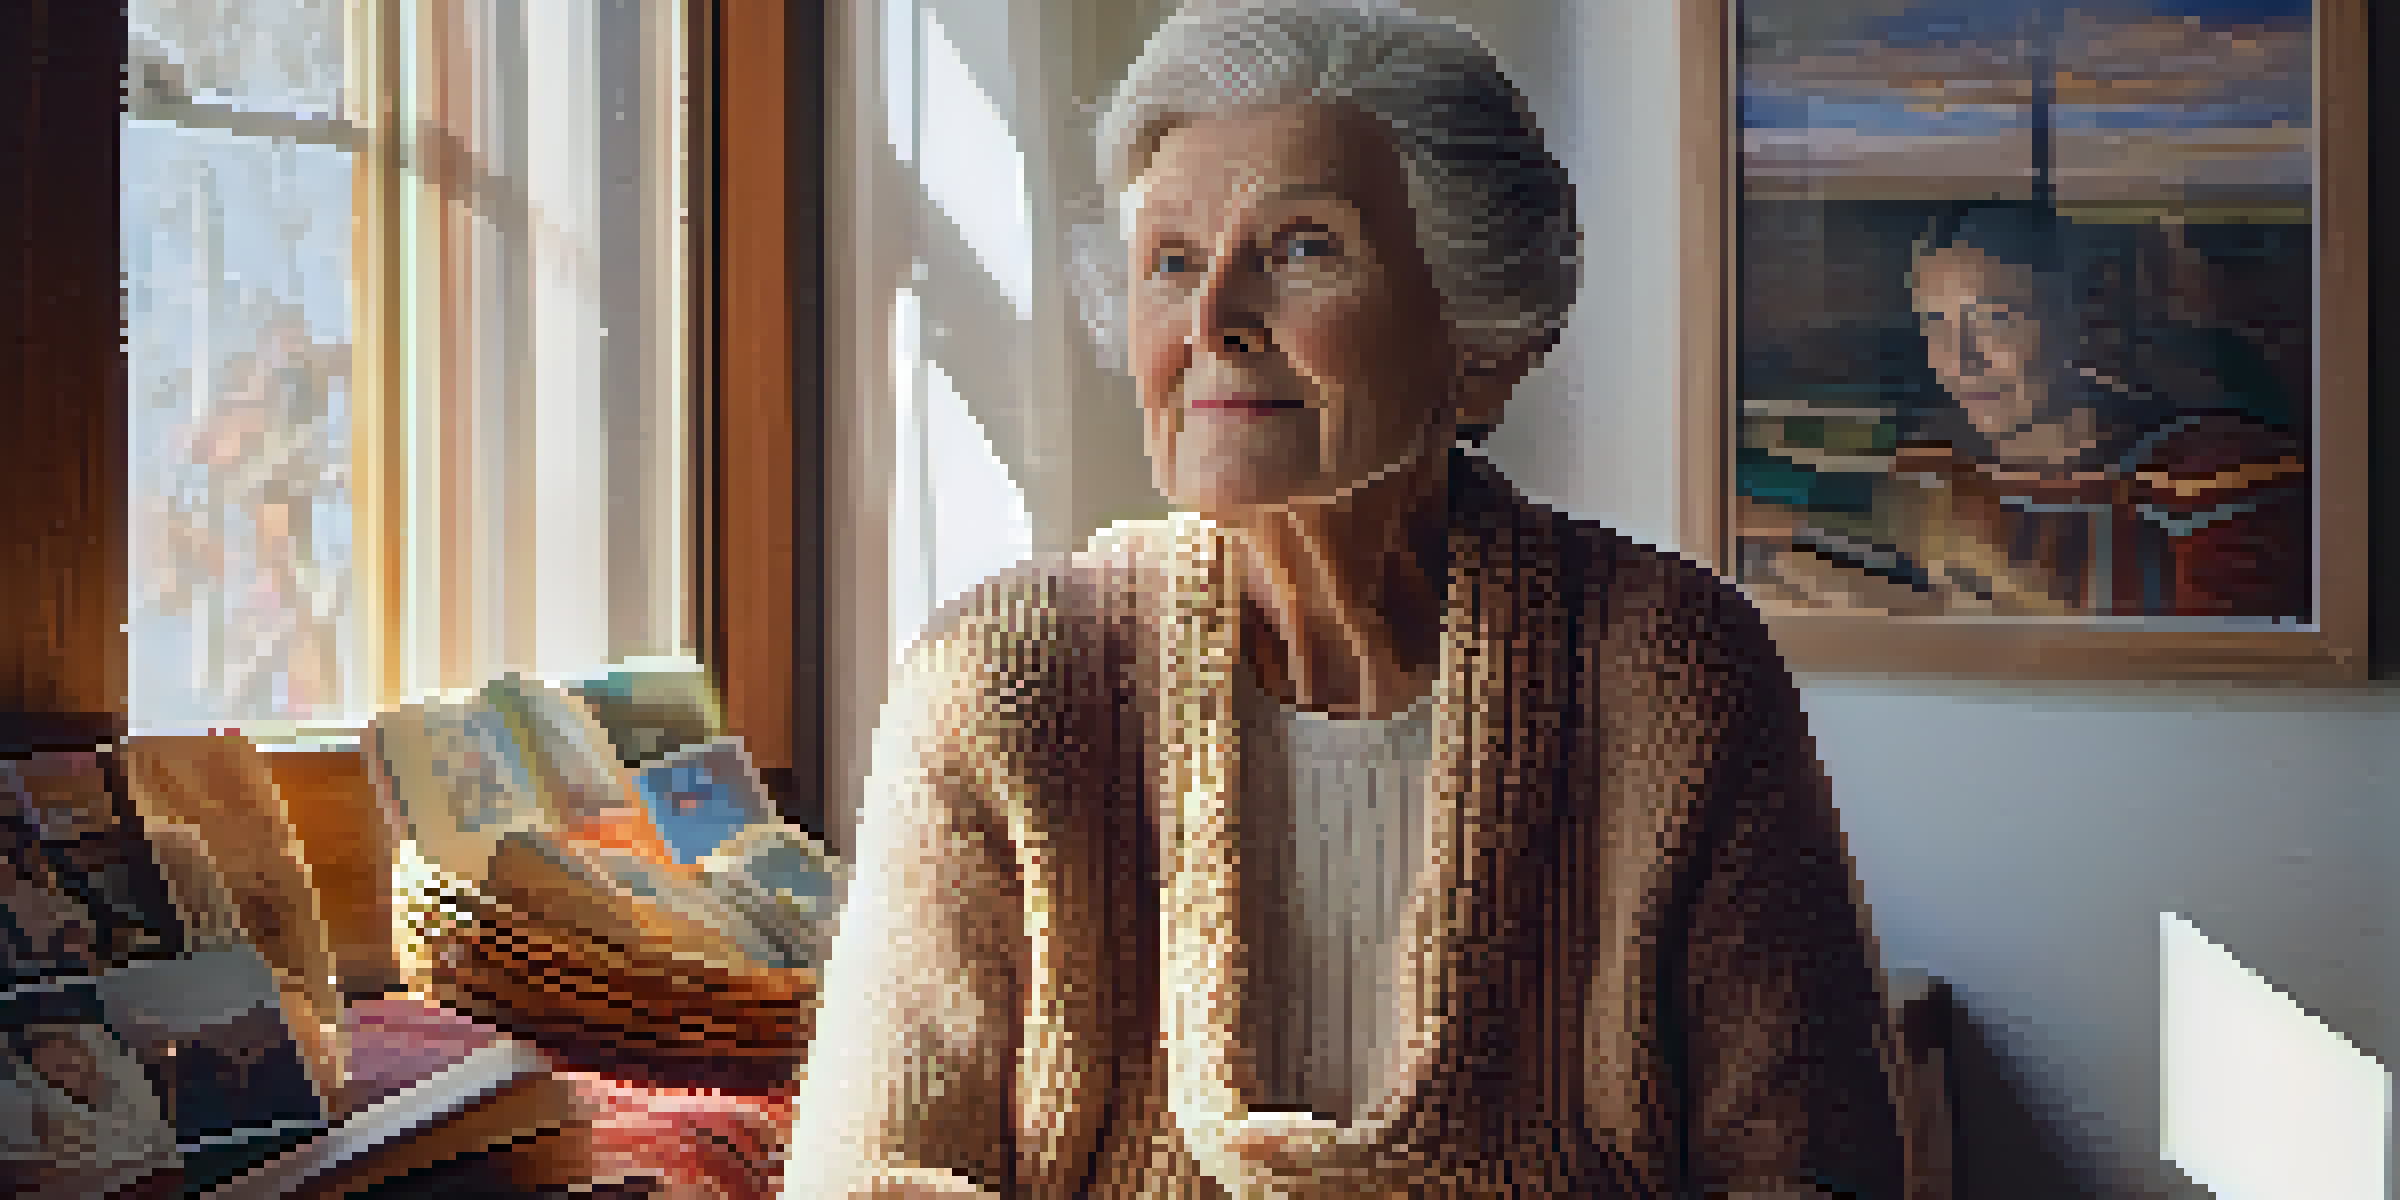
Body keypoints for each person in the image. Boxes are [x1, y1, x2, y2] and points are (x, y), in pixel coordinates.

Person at [785, 2, 1903, 1196]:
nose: (1212, 318)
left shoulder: (1670, 673)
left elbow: (1810, 1170)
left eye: (1303, 246)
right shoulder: (1003, 683)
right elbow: (877, 1172)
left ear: (1479, 330)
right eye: (1170, 260)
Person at [1880, 206, 2307, 617]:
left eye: (1995, 321)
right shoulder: (1932, 465)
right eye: (1936, 325)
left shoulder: (2216, 476)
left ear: (2078, 317)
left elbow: (2209, 675)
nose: (1961, 361)